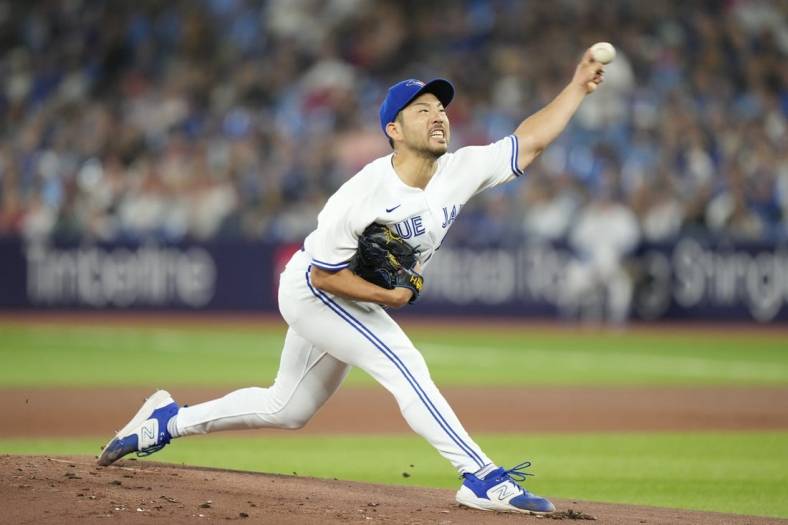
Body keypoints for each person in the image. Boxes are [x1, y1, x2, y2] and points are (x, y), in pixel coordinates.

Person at [98, 46, 607, 515]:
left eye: (441, 108)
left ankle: (166, 420)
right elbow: (324, 275)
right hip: (315, 289)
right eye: (422, 110)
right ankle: (480, 476)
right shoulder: (362, 193)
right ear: (394, 129)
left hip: (344, 295)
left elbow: (531, 141)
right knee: (402, 362)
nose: (438, 116)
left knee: (287, 407)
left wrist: (578, 87)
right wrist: (388, 295)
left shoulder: (461, 169)